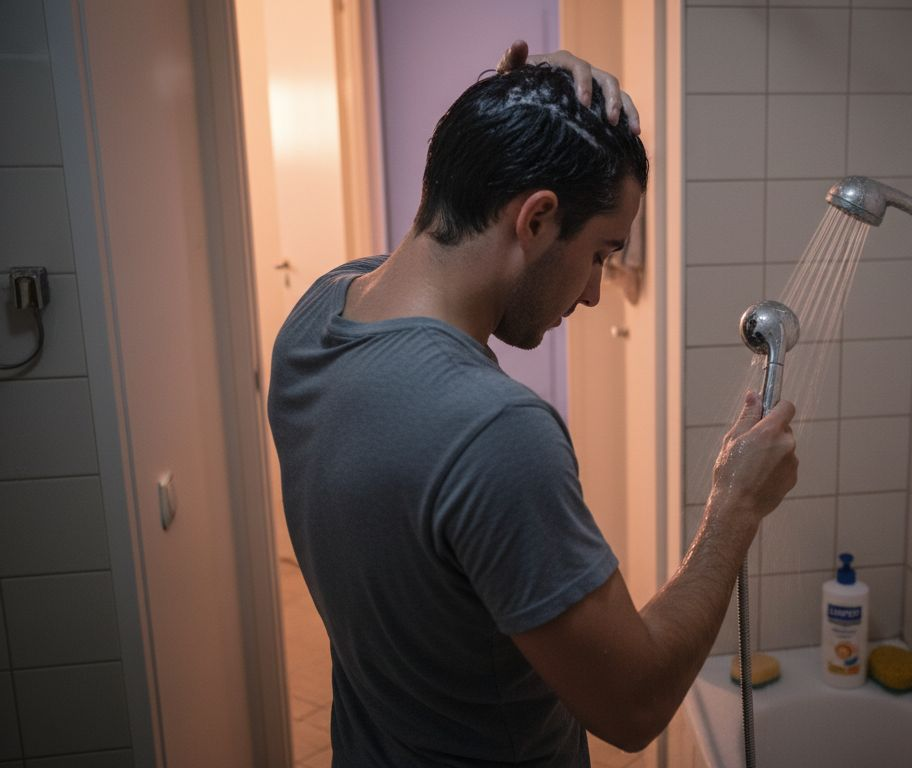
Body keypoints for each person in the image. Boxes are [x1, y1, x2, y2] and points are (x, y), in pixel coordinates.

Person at [268, 43, 798, 767]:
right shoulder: (492, 433)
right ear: (538, 220)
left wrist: (516, 103)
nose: (591, 293)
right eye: (603, 253)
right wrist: (735, 506)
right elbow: (632, 704)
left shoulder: (317, 316)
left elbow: (447, 205)